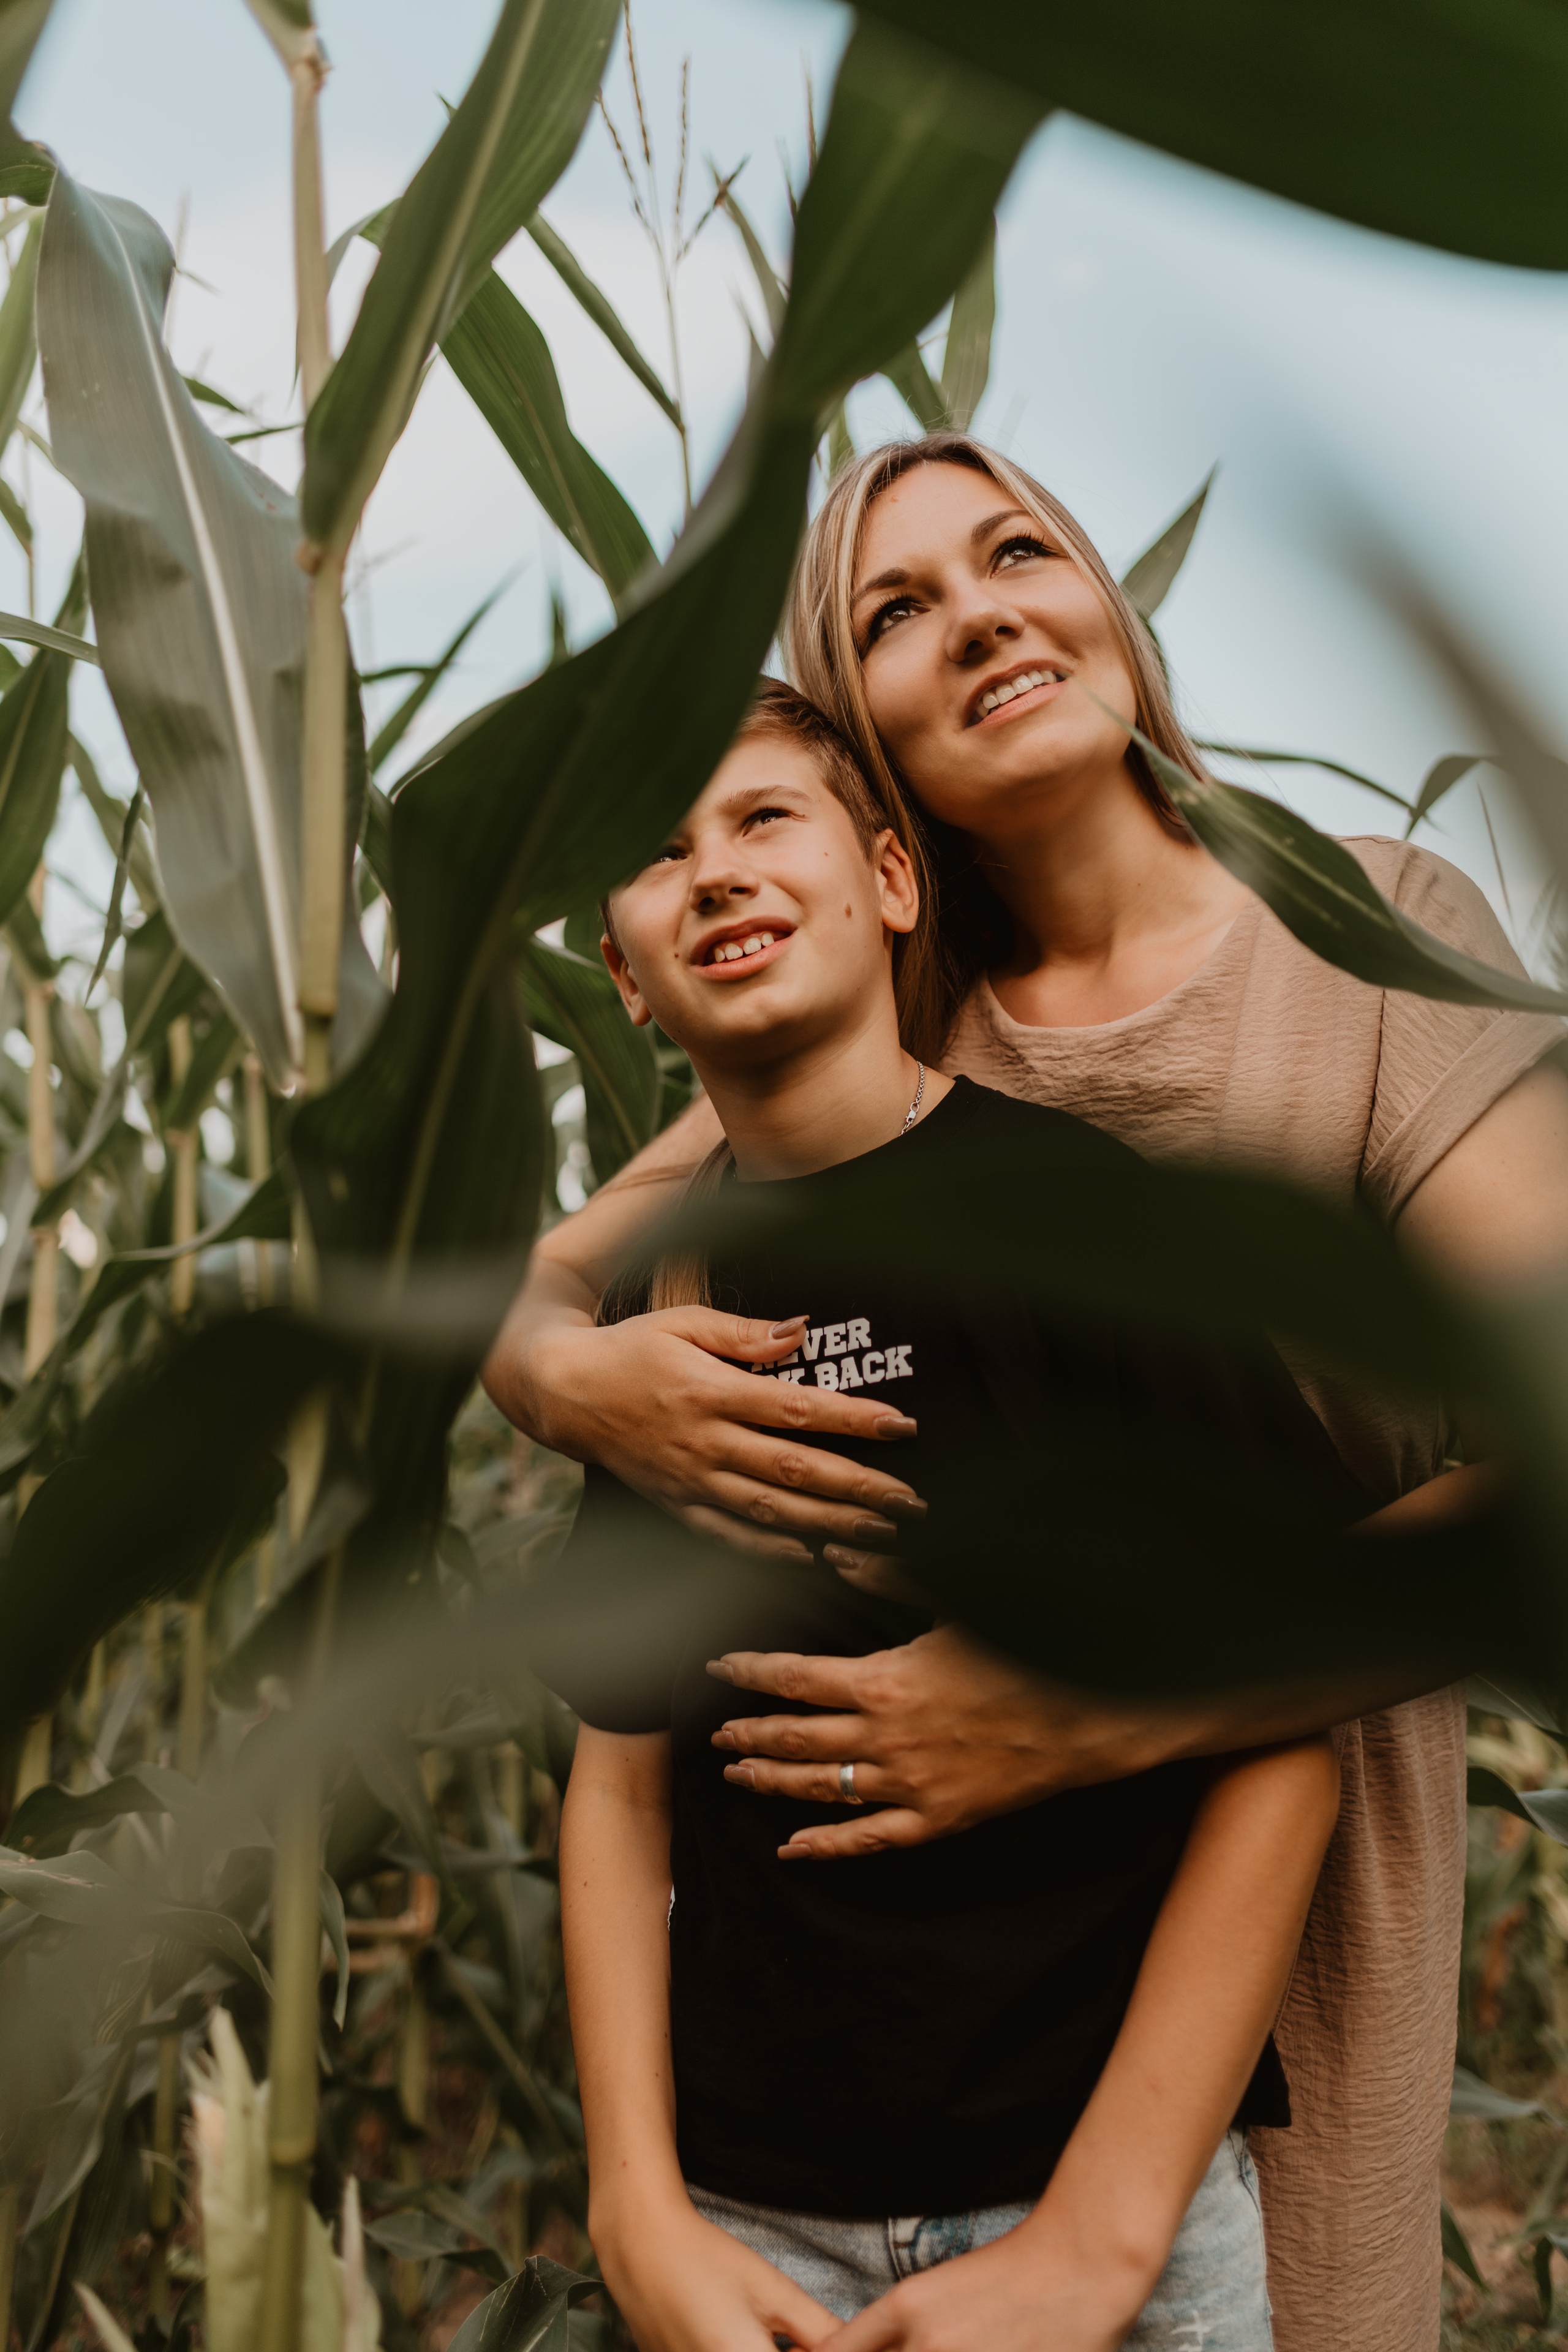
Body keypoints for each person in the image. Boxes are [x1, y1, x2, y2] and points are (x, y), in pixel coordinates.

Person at [486, 436, 1568, 2351]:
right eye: (897, 610)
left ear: (1106, 604)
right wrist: (558, 1379)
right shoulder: (899, 1048)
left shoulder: (1371, 932)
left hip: (1292, 1847)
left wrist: (1083, 1713)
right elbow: (566, 1272)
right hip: (919, 2028)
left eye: (1017, 553)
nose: (980, 609)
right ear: (875, 778)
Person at [549, 680, 1385, 2352]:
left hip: (1094, 2216)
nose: (713, 870)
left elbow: (1290, 1725)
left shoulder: (1072, 1218)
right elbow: (619, 1785)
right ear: (626, 984)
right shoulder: (652, 1320)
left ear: (893, 885)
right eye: (658, 853)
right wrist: (635, 2200)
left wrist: (1100, 2234)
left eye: (762, 819)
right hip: (749, 2225)